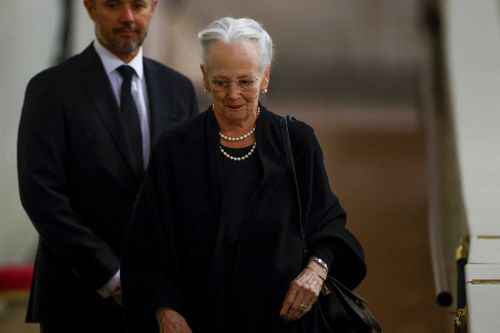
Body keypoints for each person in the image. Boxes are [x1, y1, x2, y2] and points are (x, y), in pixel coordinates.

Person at [121, 17, 366, 332]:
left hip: (286, 324)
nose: (233, 94)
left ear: (265, 78)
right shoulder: (175, 150)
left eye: (245, 81)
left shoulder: (297, 142)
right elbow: (145, 248)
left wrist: (315, 272)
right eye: (221, 82)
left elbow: (330, 227)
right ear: (205, 77)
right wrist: (165, 310)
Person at [17, 0, 198, 332]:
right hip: (74, 297)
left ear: (153, 8)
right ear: (90, 8)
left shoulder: (179, 90)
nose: (127, 17)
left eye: (138, 5)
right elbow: (41, 194)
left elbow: (187, 194)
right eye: (113, 5)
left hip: (158, 300)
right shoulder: (50, 89)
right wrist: (112, 276)